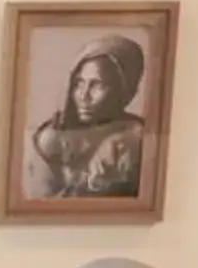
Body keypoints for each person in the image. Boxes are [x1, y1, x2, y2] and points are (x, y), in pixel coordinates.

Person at [28, 33, 150, 201]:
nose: (84, 95)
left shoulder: (139, 136)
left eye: (97, 85)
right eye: (78, 83)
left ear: (124, 90)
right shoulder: (51, 139)